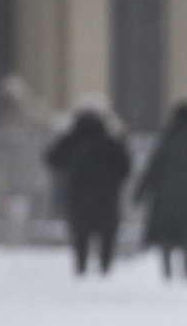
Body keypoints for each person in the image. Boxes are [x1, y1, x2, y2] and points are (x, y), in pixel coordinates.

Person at [133, 99, 187, 281]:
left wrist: (139, 194)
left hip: (166, 199)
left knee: (167, 236)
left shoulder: (166, 142)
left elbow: (152, 170)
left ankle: (167, 271)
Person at [43, 106, 131, 275]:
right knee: (107, 236)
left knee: (80, 235)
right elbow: (125, 168)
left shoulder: (72, 142)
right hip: (106, 199)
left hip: (79, 197)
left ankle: (81, 266)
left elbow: (52, 159)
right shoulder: (109, 143)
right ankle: (105, 267)